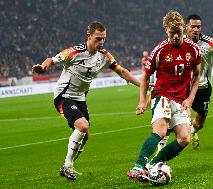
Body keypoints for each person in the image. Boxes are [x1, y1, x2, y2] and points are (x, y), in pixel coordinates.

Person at [32, 21, 141, 181]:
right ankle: (67, 166)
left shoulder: (104, 56)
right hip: (64, 96)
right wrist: (43, 67)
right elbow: (51, 59)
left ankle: (67, 166)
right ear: (89, 36)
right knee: (83, 126)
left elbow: (122, 71)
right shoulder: (74, 52)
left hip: (80, 98)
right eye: (98, 38)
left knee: (86, 135)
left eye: (103, 39)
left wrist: (142, 84)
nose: (101, 42)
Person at [126, 11, 201, 183]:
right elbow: (145, 76)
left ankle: (152, 165)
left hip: (181, 99)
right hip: (163, 94)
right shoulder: (159, 50)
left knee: (184, 138)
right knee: (160, 131)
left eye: (179, 32)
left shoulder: (193, 49)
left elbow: (196, 77)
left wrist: (190, 99)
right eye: (171, 33)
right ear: (165, 30)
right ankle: (138, 167)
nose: (175, 36)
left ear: (183, 28)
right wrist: (143, 100)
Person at [156, 14, 213, 150]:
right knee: (170, 120)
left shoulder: (209, 43)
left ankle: (192, 131)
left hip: (203, 88)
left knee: (199, 124)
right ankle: (160, 154)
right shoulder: (178, 42)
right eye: (193, 26)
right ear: (186, 27)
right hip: (183, 87)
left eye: (198, 27)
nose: (196, 29)